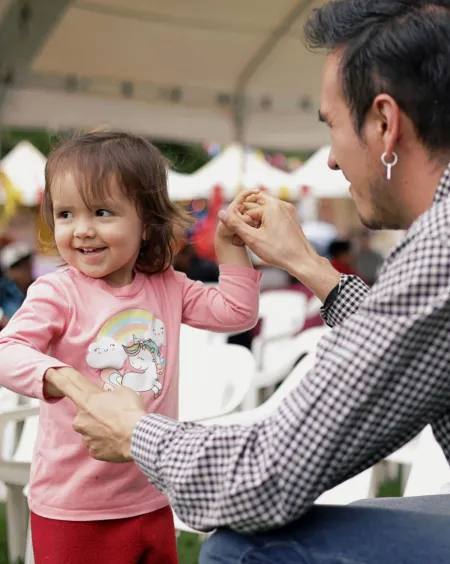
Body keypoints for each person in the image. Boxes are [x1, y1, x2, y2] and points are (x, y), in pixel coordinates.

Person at [62, 1, 450, 562]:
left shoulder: (439, 245)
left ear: (385, 123)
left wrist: (136, 432)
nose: (334, 163)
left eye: (333, 127)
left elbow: (265, 475)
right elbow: (411, 345)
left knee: (244, 547)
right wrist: (310, 267)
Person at [0, 131, 261, 564]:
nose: (82, 230)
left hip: (151, 495)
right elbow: (7, 350)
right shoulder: (57, 291)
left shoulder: (167, 285)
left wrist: (230, 250)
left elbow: (236, 312)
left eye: (102, 212)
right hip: (74, 508)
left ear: (146, 222)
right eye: (65, 214)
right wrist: (62, 378)